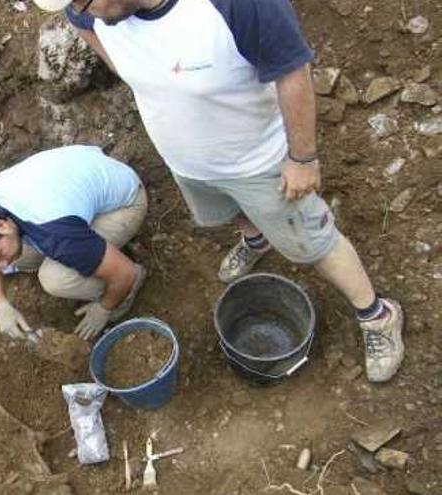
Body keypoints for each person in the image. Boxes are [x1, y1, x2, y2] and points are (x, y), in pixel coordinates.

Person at [33, 0, 404, 381]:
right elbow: (84, 23)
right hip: (187, 163)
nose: (81, 11)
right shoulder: (88, 12)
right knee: (229, 212)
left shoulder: (234, 6)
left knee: (314, 243)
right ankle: (256, 240)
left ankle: (377, 315)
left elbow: (292, 70)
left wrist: (303, 158)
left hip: (257, 162)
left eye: (82, 0)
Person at [0, 145, 148, 341]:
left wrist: (104, 308)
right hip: (78, 187)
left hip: (125, 203)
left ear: (2, 226)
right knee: (18, 255)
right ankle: (94, 256)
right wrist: (1, 306)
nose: (4, 266)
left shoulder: (56, 233)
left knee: (55, 279)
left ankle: (128, 286)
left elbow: (124, 273)